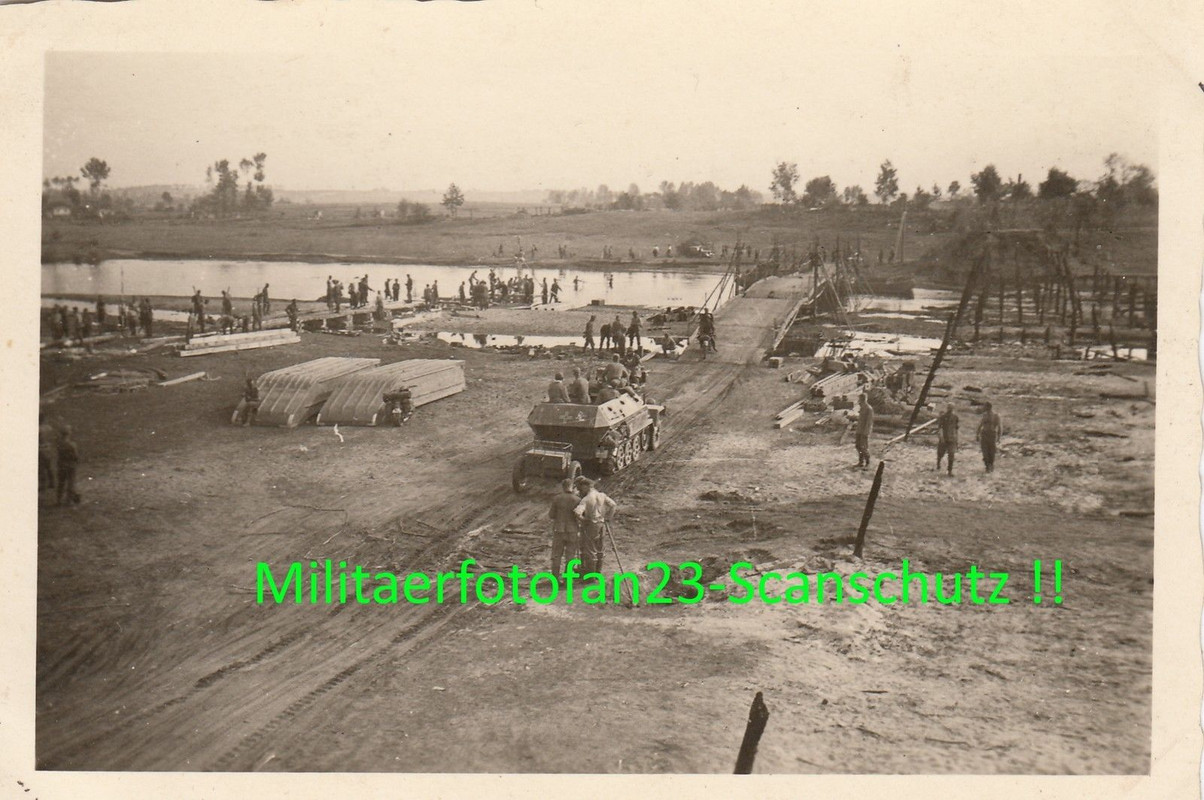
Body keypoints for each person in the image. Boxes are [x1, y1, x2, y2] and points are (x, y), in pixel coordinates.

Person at [573, 477, 617, 574]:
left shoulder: (586, 499)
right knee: (600, 548)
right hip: (602, 524)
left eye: (581, 487)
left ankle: (591, 576)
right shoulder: (602, 495)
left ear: (586, 486)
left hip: (592, 525)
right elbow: (613, 505)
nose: (580, 490)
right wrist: (608, 517)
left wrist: (583, 520)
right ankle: (598, 572)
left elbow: (577, 512)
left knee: (590, 549)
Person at [548, 479, 582, 575]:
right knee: (570, 555)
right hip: (573, 530)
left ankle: (555, 577)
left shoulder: (556, 498)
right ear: (572, 487)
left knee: (556, 555)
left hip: (559, 529)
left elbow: (551, 515)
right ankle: (568, 577)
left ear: (563, 487)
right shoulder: (577, 500)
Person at [55, 424, 80, 506]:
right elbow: (76, 456)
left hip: (61, 465)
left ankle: (59, 500)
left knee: (61, 483)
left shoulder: (59, 444)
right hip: (70, 465)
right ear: (69, 433)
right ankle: (68, 501)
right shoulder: (72, 445)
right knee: (71, 483)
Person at [976, 402, 1003, 473]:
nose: (983, 408)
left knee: (991, 452)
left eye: (985, 406)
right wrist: (977, 434)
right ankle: (987, 466)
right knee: (984, 451)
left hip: (992, 435)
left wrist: (999, 437)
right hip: (984, 435)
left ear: (988, 407)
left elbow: (999, 427)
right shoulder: (984, 415)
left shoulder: (996, 416)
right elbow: (980, 425)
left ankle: (991, 465)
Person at [936, 403, 959, 475]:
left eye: (951, 408)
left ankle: (950, 470)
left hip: (951, 438)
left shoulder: (955, 417)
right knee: (940, 453)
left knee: (951, 454)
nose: (950, 410)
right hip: (944, 438)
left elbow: (956, 428)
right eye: (949, 408)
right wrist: (941, 437)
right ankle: (938, 463)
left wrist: (956, 438)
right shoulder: (943, 417)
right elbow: (940, 427)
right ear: (947, 408)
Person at [38, 412, 58, 491]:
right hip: (48, 448)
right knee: (49, 466)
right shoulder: (49, 428)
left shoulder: (38, 429)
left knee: (41, 468)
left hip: (41, 448)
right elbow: (53, 438)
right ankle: (52, 482)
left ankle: (43, 484)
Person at [855, 393, 874, 470]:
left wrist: (866, 432)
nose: (858, 401)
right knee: (858, 446)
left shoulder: (869, 409)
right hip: (859, 430)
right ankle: (861, 462)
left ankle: (868, 463)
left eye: (859, 399)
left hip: (864, 431)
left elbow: (869, 422)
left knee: (864, 447)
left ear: (863, 399)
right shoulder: (862, 408)